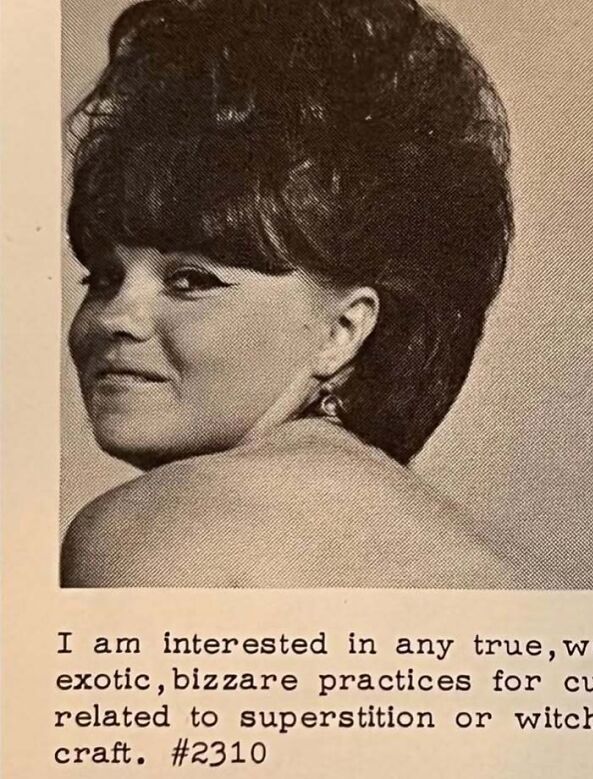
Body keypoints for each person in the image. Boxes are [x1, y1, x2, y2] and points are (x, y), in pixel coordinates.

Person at [60, 0, 514, 587]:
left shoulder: (154, 532)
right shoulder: (481, 559)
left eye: (191, 281)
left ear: (341, 331)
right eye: (103, 278)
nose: (114, 318)